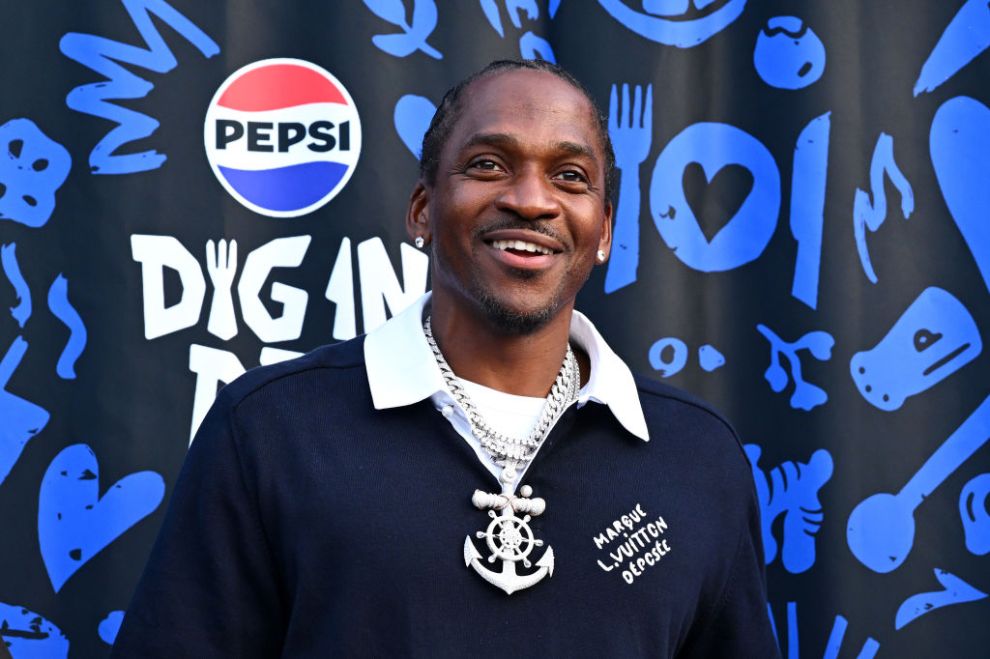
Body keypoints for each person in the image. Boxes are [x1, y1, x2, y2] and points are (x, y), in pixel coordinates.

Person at [112, 59, 780, 658]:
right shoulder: (268, 431)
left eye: (569, 176)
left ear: (603, 230)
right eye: (488, 165)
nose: (530, 199)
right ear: (423, 209)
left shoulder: (696, 457)